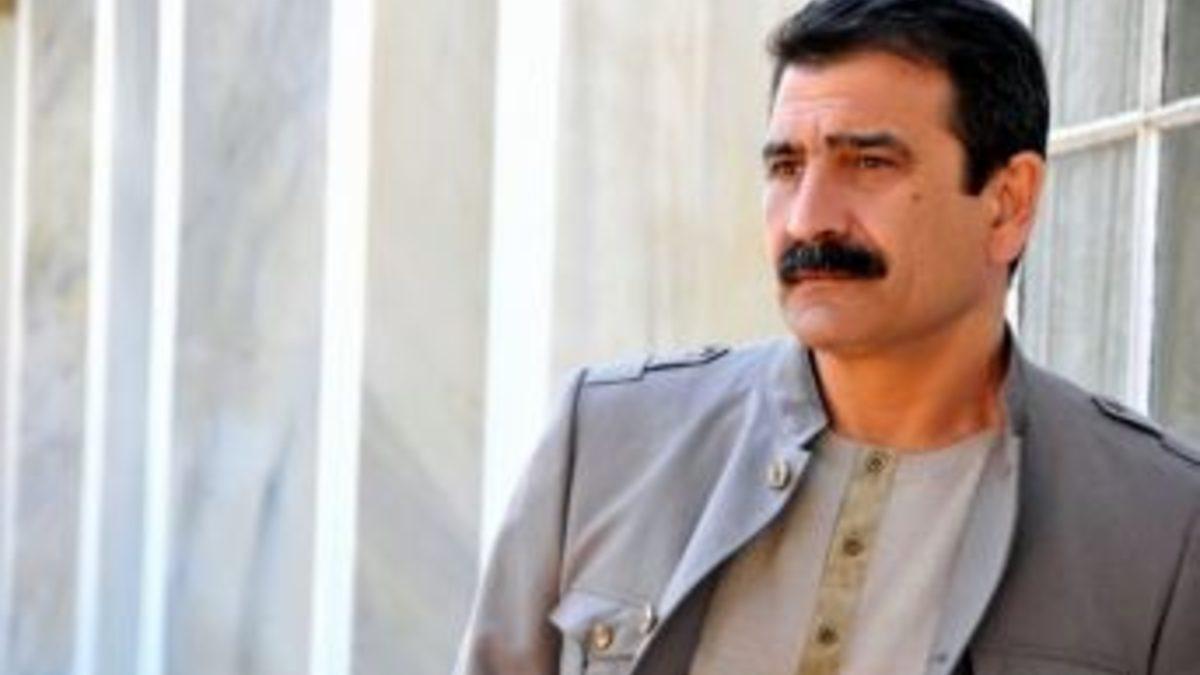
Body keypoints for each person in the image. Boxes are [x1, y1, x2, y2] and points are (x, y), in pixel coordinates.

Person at [455, 0, 1200, 673]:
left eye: (869, 163)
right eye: (786, 166)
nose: (809, 218)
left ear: (1007, 203)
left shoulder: (1163, 526)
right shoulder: (607, 438)